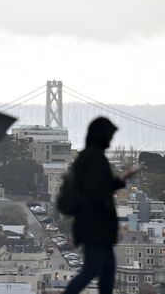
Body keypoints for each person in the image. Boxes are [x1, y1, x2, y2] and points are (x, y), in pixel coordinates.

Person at [63, 117, 138, 294]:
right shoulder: (93, 157)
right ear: (101, 136)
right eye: (109, 136)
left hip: (97, 227)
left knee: (107, 274)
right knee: (92, 270)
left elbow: (96, 187)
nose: (110, 141)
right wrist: (119, 180)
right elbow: (95, 190)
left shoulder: (90, 156)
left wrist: (118, 181)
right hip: (95, 227)